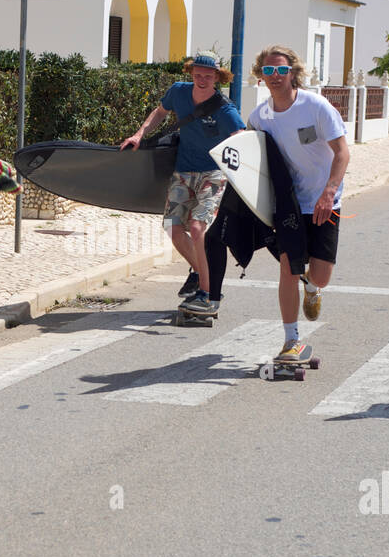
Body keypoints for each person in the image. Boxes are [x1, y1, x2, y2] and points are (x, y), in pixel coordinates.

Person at [247, 45, 350, 364]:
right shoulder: (258, 118)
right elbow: (255, 164)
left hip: (324, 200)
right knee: (288, 268)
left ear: (293, 72)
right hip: (289, 206)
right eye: (268, 71)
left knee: (320, 275)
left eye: (280, 70)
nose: (274, 77)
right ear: (260, 75)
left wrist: (329, 191)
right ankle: (291, 340)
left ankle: (314, 287)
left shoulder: (316, 107)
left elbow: (342, 152)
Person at [121, 53, 245, 315]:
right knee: (173, 227)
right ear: (191, 73)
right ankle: (202, 274)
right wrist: (140, 134)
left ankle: (206, 293)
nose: (202, 80)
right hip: (184, 170)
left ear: (217, 77)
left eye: (208, 76)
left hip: (213, 172)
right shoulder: (178, 92)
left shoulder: (225, 109)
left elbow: (241, 140)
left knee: (198, 228)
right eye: (198, 74)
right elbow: (160, 112)